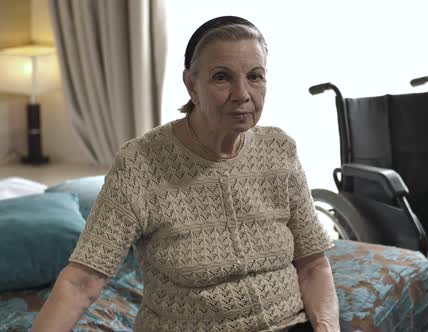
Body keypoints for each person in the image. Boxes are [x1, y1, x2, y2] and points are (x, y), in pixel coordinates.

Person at [31, 16, 340, 332]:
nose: (242, 93)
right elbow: (82, 281)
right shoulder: (141, 164)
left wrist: (327, 327)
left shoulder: (280, 149)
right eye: (222, 78)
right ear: (192, 85)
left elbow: (313, 264)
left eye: (255, 76)